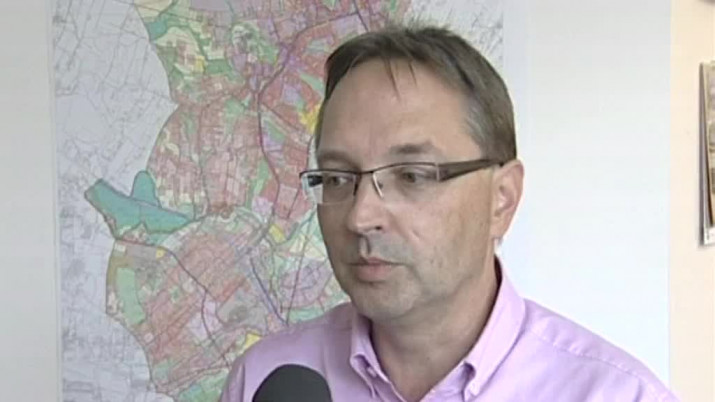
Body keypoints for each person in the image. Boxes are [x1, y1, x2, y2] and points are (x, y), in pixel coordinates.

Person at [220, 24, 678, 402]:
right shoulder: (263, 379)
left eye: (411, 176)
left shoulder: (618, 394)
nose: (360, 217)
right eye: (338, 178)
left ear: (502, 198)